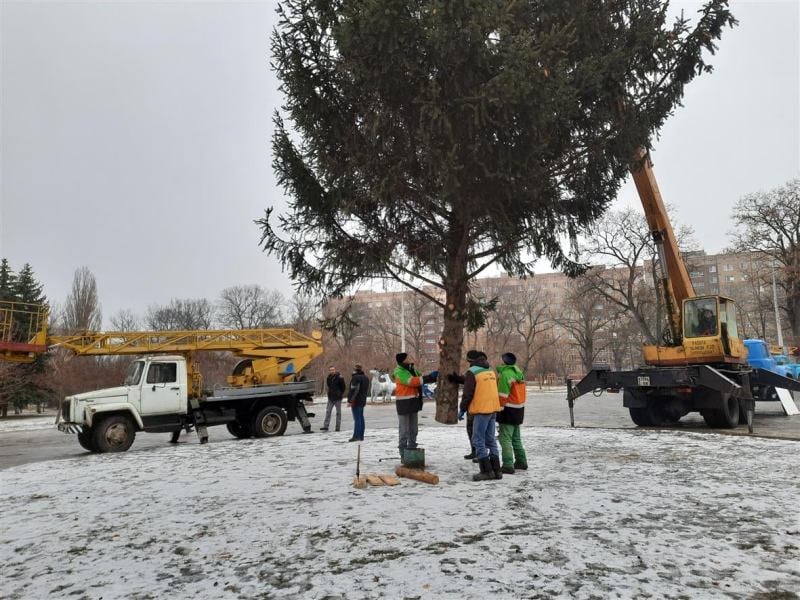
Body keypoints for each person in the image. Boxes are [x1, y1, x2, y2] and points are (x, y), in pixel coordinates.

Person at [458, 349, 502, 481]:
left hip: (481, 410)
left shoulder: (472, 372)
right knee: (490, 440)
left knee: (478, 439)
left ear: (471, 361)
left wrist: (462, 409)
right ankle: (497, 471)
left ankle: (486, 471)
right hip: (493, 409)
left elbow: (468, 394)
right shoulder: (490, 370)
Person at [392, 353, 438, 458]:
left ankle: (412, 450)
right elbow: (412, 382)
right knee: (404, 431)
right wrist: (430, 376)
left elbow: (420, 378)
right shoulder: (399, 372)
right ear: (403, 360)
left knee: (413, 429)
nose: (410, 360)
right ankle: (403, 454)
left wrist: (432, 377)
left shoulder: (411, 369)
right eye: (407, 358)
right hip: (403, 404)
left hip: (413, 402)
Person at [496, 352, 528, 474]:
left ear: (504, 361)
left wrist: (498, 409)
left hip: (507, 410)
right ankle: (521, 461)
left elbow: (502, 396)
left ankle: (508, 465)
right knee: (516, 438)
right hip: (519, 409)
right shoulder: (519, 374)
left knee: (505, 438)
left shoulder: (505, 375)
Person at [347, 364, 369, 442]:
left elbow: (354, 390)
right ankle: (361, 436)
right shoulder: (366, 378)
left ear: (355, 370)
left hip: (356, 401)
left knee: (357, 419)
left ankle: (356, 436)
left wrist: (350, 400)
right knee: (361, 418)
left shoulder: (355, 378)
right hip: (363, 400)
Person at [320, 365, 346, 431]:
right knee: (328, 411)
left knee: (338, 413)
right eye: (330, 370)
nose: (332, 371)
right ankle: (326, 426)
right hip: (331, 398)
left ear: (335, 370)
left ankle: (337, 427)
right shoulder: (328, 377)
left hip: (338, 398)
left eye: (333, 370)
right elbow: (329, 386)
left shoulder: (340, 377)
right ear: (329, 371)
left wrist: (340, 393)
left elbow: (343, 387)